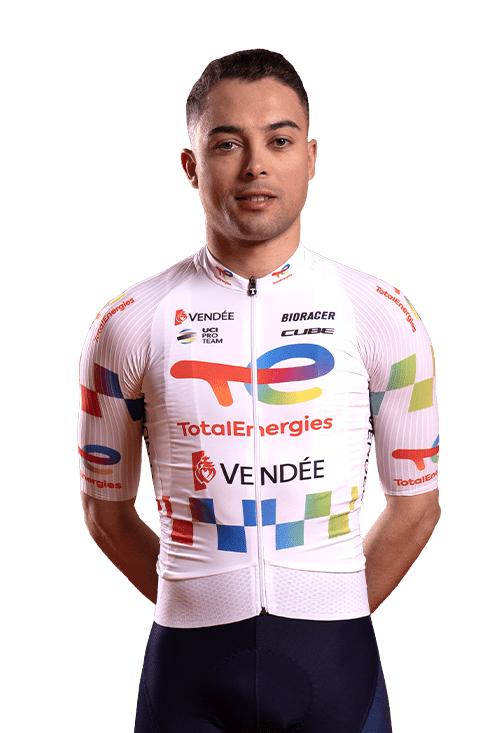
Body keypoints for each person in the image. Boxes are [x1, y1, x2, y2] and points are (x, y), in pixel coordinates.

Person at [78, 48, 440, 732]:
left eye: (278, 140)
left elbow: (417, 508)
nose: (255, 166)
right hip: (188, 670)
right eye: (226, 144)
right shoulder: (127, 322)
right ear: (190, 166)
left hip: (336, 666)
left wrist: (327, 607)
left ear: (310, 157)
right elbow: (105, 514)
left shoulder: (381, 312)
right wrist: (196, 599)